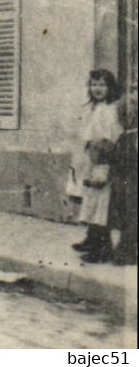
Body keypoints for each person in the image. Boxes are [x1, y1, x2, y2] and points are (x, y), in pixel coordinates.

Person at [67, 69, 123, 264]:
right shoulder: (93, 107)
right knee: (90, 199)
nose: (97, 89)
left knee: (101, 204)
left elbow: (110, 137)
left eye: (102, 85)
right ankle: (92, 239)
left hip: (102, 160)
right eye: (94, 84)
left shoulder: (110, 109)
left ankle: (103, 248)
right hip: (89, 159)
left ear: (110, 87)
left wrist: (103, 163)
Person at [110, 83, 137, 265]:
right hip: (126, 165)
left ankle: (127, 250)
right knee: (126, 206)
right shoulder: (126, 133)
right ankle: (126, 249)